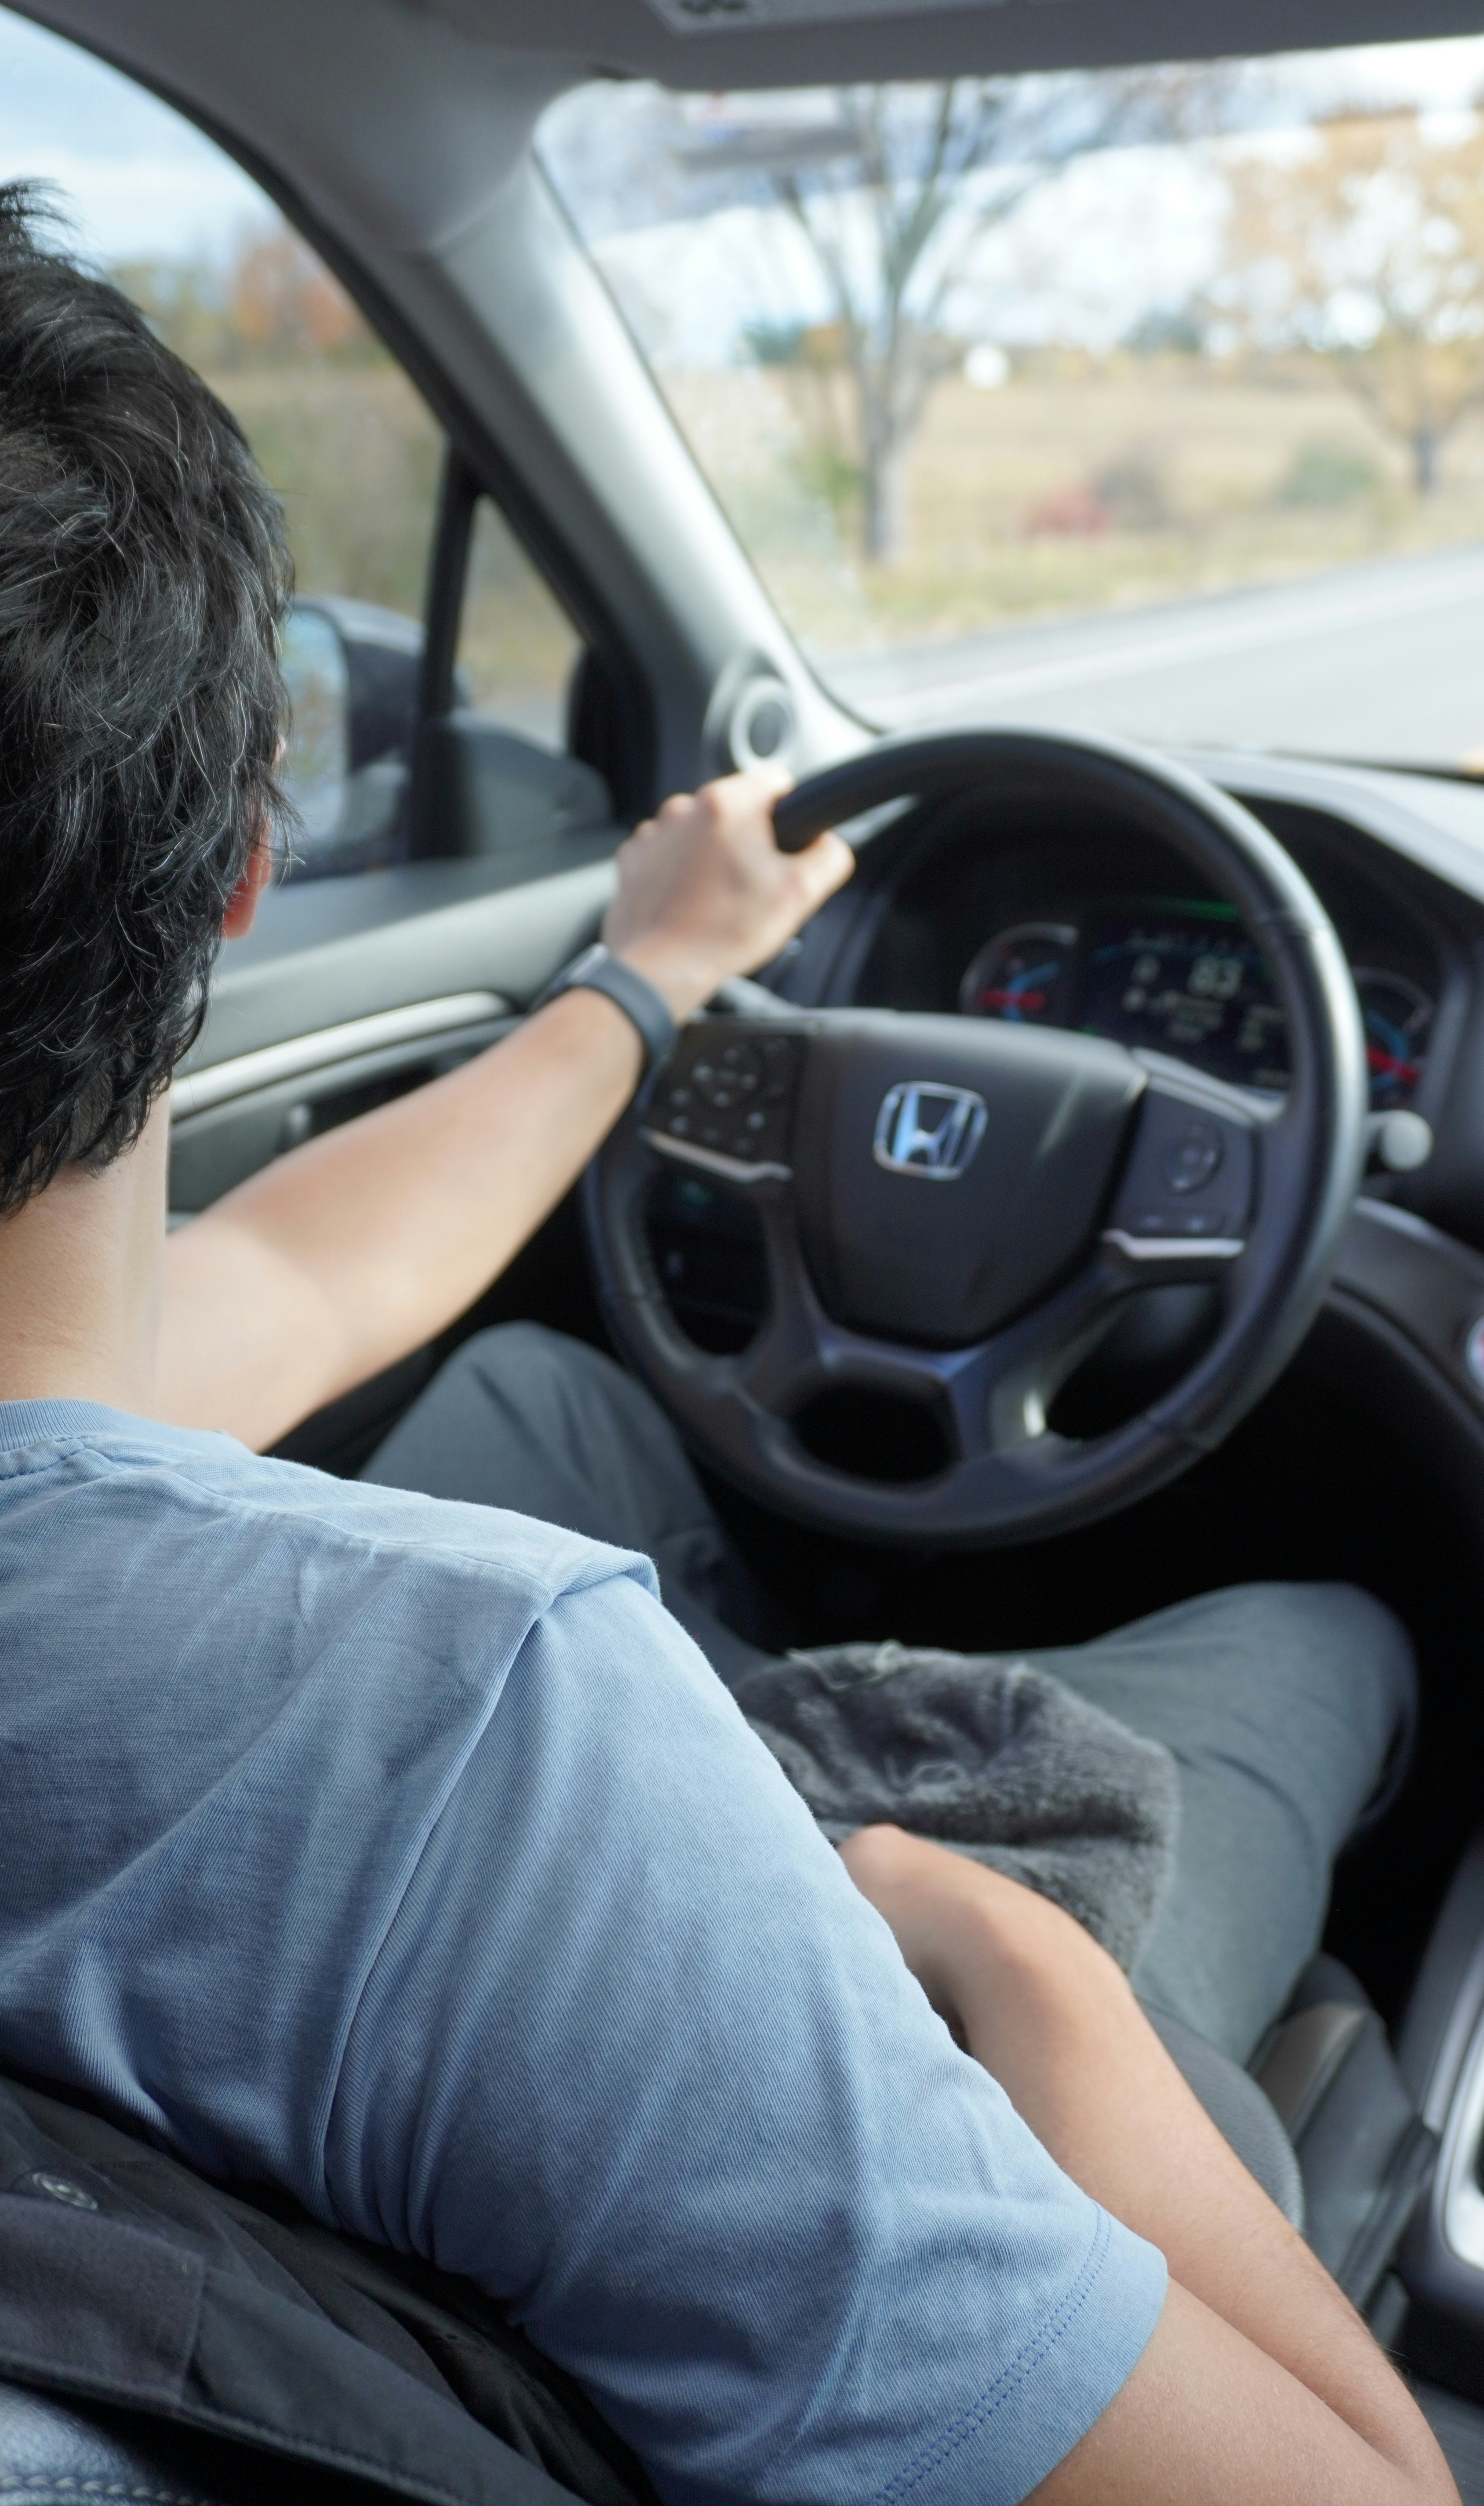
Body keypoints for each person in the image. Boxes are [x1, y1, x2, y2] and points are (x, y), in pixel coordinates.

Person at [0, 182, 1455, 2506]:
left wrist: (645, 978)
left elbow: (290, 1282)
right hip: (876, 1968)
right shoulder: (476, 1734)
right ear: (249, 863)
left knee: (544, 1401)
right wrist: (1021, 1972)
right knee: (1336, 1631)